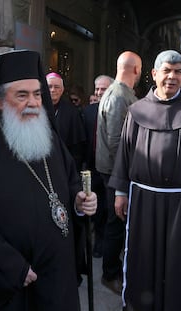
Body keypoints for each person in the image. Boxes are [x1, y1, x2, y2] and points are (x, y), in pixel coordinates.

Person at [0, 50, 97, 310]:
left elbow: (69, 186)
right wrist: (12, 266)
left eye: (37, 94)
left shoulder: (53, 144)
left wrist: (79, 202)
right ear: (0, 101)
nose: (34, 102)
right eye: (22, 95)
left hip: (57, 276)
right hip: (15, 283)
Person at [110, 50, 181, 311]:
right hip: (143, 201)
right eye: (166, 70)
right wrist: (120, 192)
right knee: (143, 259)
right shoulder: (136, 111)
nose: (172, 77)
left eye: (177, 72)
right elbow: (125, 153)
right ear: (154, 74)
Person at [95, 51, 142, 295]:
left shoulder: (122, 93)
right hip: (116, 173)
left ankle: (115, 269)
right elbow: (116, 142)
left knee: (118, 222)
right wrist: (124, 177)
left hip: (117, 172)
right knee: (116, 223)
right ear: (136, 69)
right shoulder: (118, 95)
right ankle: (109, 274)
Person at [82, 75, 114, 258]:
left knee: (108, 209)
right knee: (93, 207)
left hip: (110, 170)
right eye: (97, 89)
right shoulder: (87, 112)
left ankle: (102, 243)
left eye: (103, 89)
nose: (99, 92)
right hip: (92, 168)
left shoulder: (119, 110)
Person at [46, 72, 86, 172]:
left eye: (56, 87)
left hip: (63, 165)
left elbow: (77, 146)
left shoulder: (72, 111)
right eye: (49, 86)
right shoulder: (35, 108)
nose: (53, 90)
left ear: (62, 90)